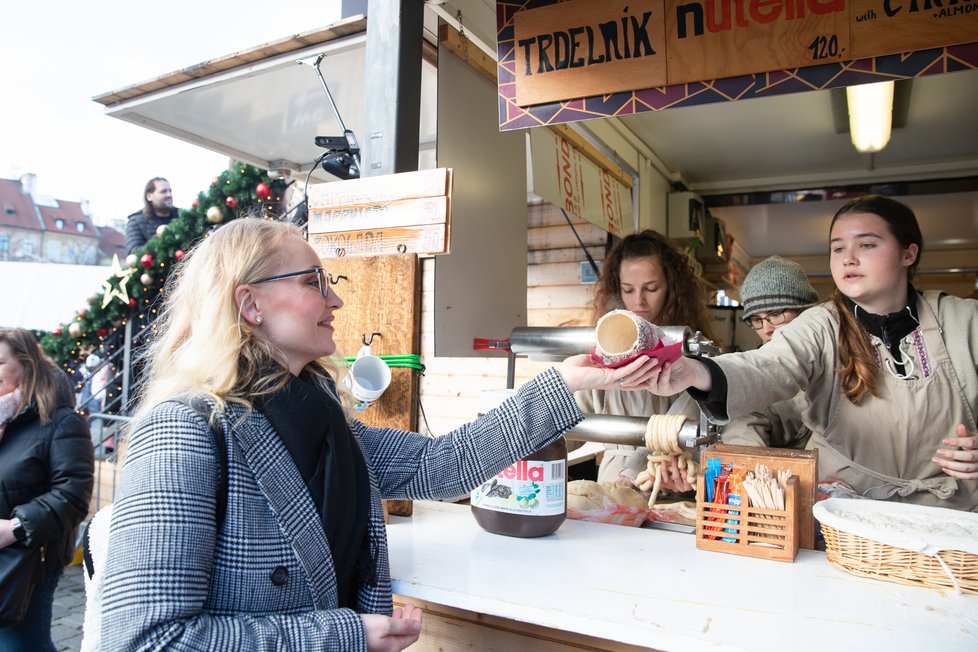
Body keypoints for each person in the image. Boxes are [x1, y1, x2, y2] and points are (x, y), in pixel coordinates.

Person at [95, 217, 656, 651]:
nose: (336, 299)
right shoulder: (185, 430)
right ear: (250, 303)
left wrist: (566, 381)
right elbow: (147, 640)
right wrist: (346, 635)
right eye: (316, 282)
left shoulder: (318, 416)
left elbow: (443, 465)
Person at [639, 195, 978, 509]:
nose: (849, 258)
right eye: (838, 248)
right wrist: (696, 372)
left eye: (867, 244)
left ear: (908, 253)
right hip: (845, 515)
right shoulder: (822, 325)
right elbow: (768, 366)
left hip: (949, 516)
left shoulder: (965, 322)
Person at [575, 229, 716, 485]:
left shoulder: (693, 352)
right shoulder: (604, 351)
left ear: (672, 288)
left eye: (651, 288)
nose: (638, 301)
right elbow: (571, 426)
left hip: (676, 482)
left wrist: (635, 471)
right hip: (614, 487)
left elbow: (686, 431)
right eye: (628, 290)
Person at [0, 329, 94, 651]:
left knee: (21, 644)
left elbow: (73, 494)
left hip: (29, 558)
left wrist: (15, 528)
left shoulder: (61, 421)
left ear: (26, 365)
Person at [720, 256, 819, 449]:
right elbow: (747, 421)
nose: (766, 328)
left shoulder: (842, 359)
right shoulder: (758, 378)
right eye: (756, 319)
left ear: (805, 311)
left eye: (775, 315)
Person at [125, 177, 177, 253]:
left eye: (170, 191)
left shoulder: (183, 217)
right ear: (149, 196)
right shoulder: (135, 221)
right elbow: (134, 251)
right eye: (163, 191)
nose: (169, 195)